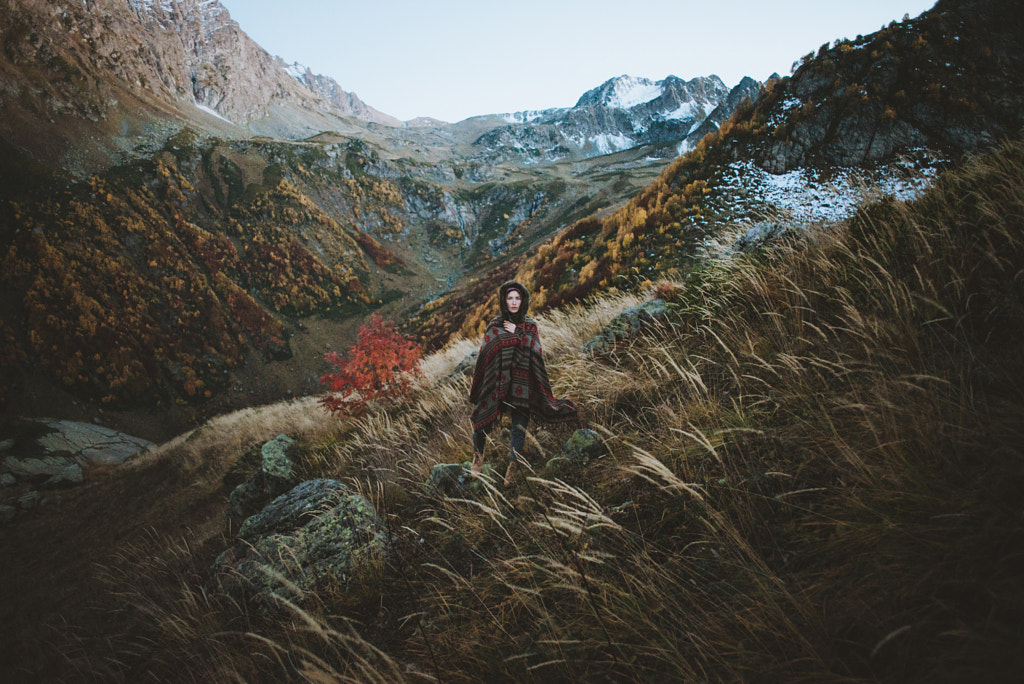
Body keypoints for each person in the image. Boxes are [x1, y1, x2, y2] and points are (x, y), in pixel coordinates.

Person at [468, 280, 578, 486]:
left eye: (517, 298)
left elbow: (535, 351)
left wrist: (517, 333)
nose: (514, 302)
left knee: (519, 427)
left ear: (523, 300)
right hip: (497, 382)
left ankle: (513, 467)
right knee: (480, 420)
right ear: (504, 300)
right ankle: (477, 459)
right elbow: (485, 355)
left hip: (522, 381)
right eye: (510, 298)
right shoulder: (494, 325)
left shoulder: (530, 326)